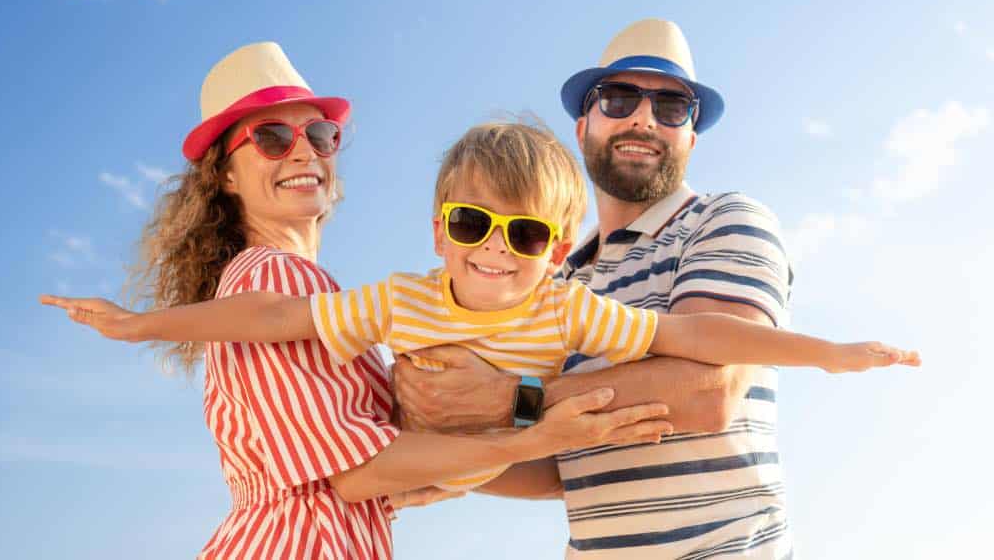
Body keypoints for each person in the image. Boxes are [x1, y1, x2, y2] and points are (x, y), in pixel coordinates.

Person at [42, 42, 675, 559]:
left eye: (318, 135)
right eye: (270, 138)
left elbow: (370, 466)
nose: (303, 152)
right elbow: (355, 473)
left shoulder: (315, 297)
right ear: (225, 174)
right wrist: (523, 440)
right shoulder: (277, 280)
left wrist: (440, 467)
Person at [45, 120, 917, 484]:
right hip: (432, 457)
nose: (496, 247)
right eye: (473, 222)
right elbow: (275, 319)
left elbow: (695, 334)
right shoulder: (405, 300)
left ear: (558, 249)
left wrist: (829, 353)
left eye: (528, 235)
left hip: (494, 454)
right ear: (437, 230)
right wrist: (144, 323)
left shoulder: (567, 310)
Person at [390, 19, 875, 558]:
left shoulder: (725, 220)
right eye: (619, 99)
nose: (644, 117)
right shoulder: (558, 280)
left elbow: (707, 391)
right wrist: (438, 452)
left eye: (671, 106)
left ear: (689, 137)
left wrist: (509, 400)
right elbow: (559, 469)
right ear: (582, 128)